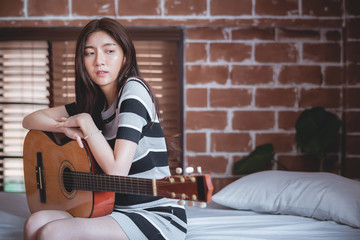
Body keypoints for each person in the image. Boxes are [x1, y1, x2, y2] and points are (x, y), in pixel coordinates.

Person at [22, 17, 187, 240]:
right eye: (89, 53)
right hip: (110, 210)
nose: (99, 61)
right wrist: (66, 129)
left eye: (109, 51)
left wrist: (86, 123)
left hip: (154, 215)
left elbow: (118, 170)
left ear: (125, 55)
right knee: (35, 223)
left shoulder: (133, 91)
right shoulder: (94, 105)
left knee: (53, 232)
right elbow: (30, 120)